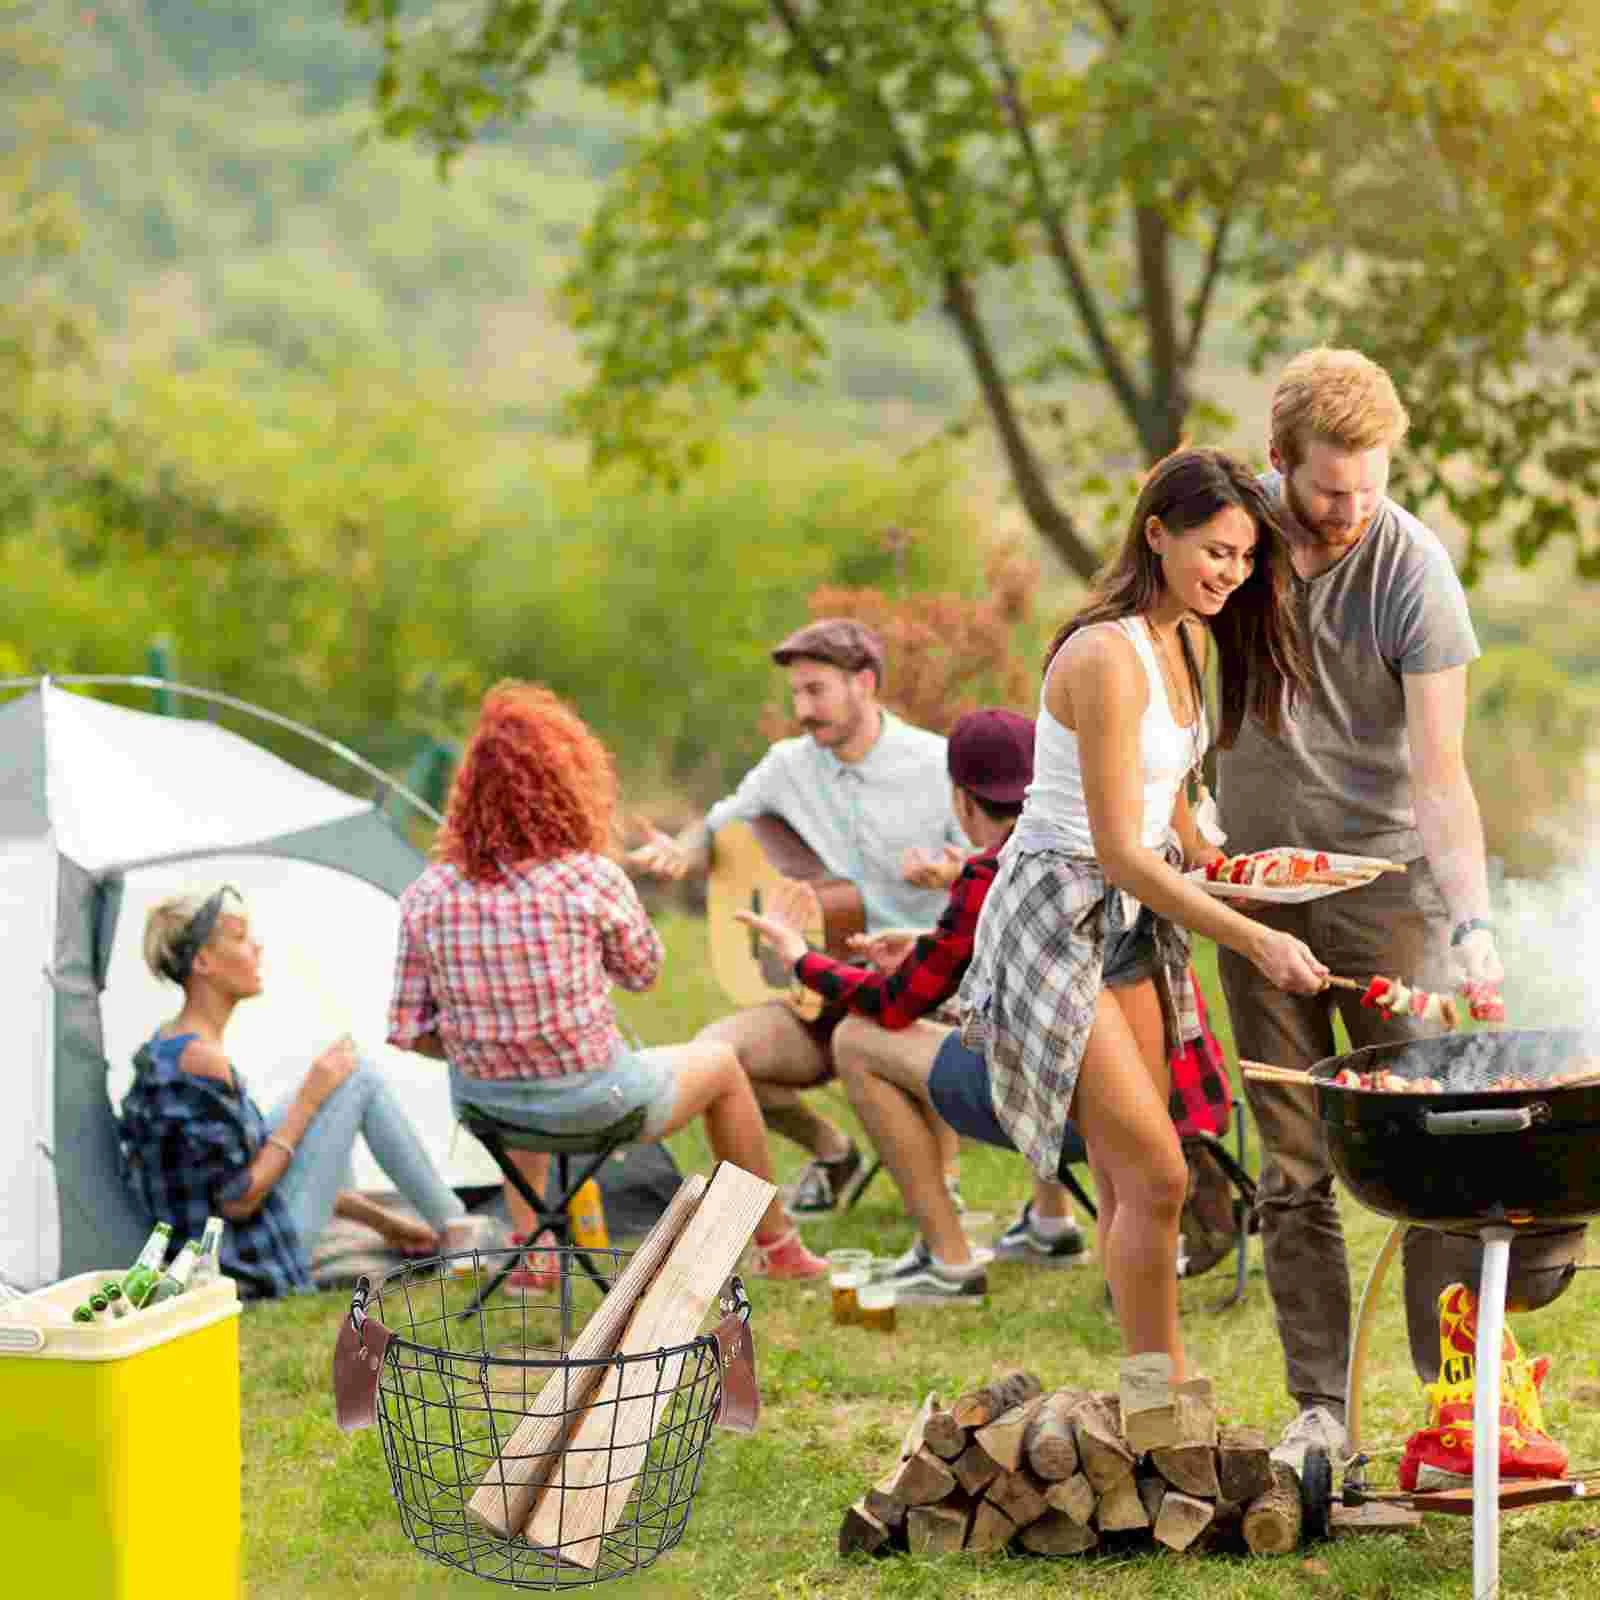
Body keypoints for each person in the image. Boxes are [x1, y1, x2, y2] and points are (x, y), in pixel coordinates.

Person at [1210, 347, 1565, 1476]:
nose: (1351, 510)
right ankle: (1319, 1409)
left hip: (1385, 886)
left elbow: (1441, 770)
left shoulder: (1412, 568)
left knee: (1436, 1147)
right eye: (1327, 490)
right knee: (1292, 1163)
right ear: (1279, 466)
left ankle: (1452, 1402)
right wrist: (1192, 860)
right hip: (1252, 890)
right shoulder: (1231, 548)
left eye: (1368, 486)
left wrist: (1470, 924)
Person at [957, 447, 1328, 1378]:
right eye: (1216, 551)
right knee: (1161, 1175)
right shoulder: (1104, 655)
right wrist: (1253, 935)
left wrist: (1229, 868)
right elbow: (1118, 848)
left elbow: (1162, 806)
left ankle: (1148, 1384)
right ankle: (1161, 1391)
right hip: (1058, 918)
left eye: (1244, 558)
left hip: (1129, 921)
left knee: (1140, 1179)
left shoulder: (1183, 640)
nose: (1230, 574)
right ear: (1156, 535)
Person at [387, 680, 827, 1283]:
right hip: (597, 1102)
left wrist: (488, 1038)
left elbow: (410, 1032)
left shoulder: (428, 893)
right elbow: (644, 974)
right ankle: (779, 1249)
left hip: (485, 1105)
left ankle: (534, 1251)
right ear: (568, 784)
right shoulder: (590, 880)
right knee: (723, 1066)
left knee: (519, 1061)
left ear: (468, 794)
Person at [737, 707, 1092, 1303]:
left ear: (961, 800)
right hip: (1134, 1099)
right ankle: (1050, 1224)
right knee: (1031, 1017)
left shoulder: (987, 874)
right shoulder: (1080, 848)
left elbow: (896, 1004)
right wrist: (926, 947)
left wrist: (801, 957)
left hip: (1055, 1112)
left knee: (858, 1040)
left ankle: (947, 1260)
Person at [628, 618, 969, 1215]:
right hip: (822, 982)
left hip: (919, 984)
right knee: (717, 1057)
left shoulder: (936, 763)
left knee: (877, 1046)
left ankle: (941, 1192)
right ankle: (832, 1150)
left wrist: (950, 871)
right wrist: (683, 850)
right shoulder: (787, 765)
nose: (803, 708)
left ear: (864, 683)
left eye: (816, 690)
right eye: (796, 693)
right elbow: (717, 825)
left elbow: (987, 869)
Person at [119, 886, 493, 1300]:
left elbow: (256, 1166)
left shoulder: (172, 1044)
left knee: (342, 1079)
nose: (256, 947)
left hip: (220, 1242)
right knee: (355, 1078)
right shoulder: (201, 1061)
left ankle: (452, 1225)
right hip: (238, 1259)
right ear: (203, 962)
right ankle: (456, 1227)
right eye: (240, 938)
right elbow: (240, 1200)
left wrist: (387, 1224)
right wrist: (311, 1098)